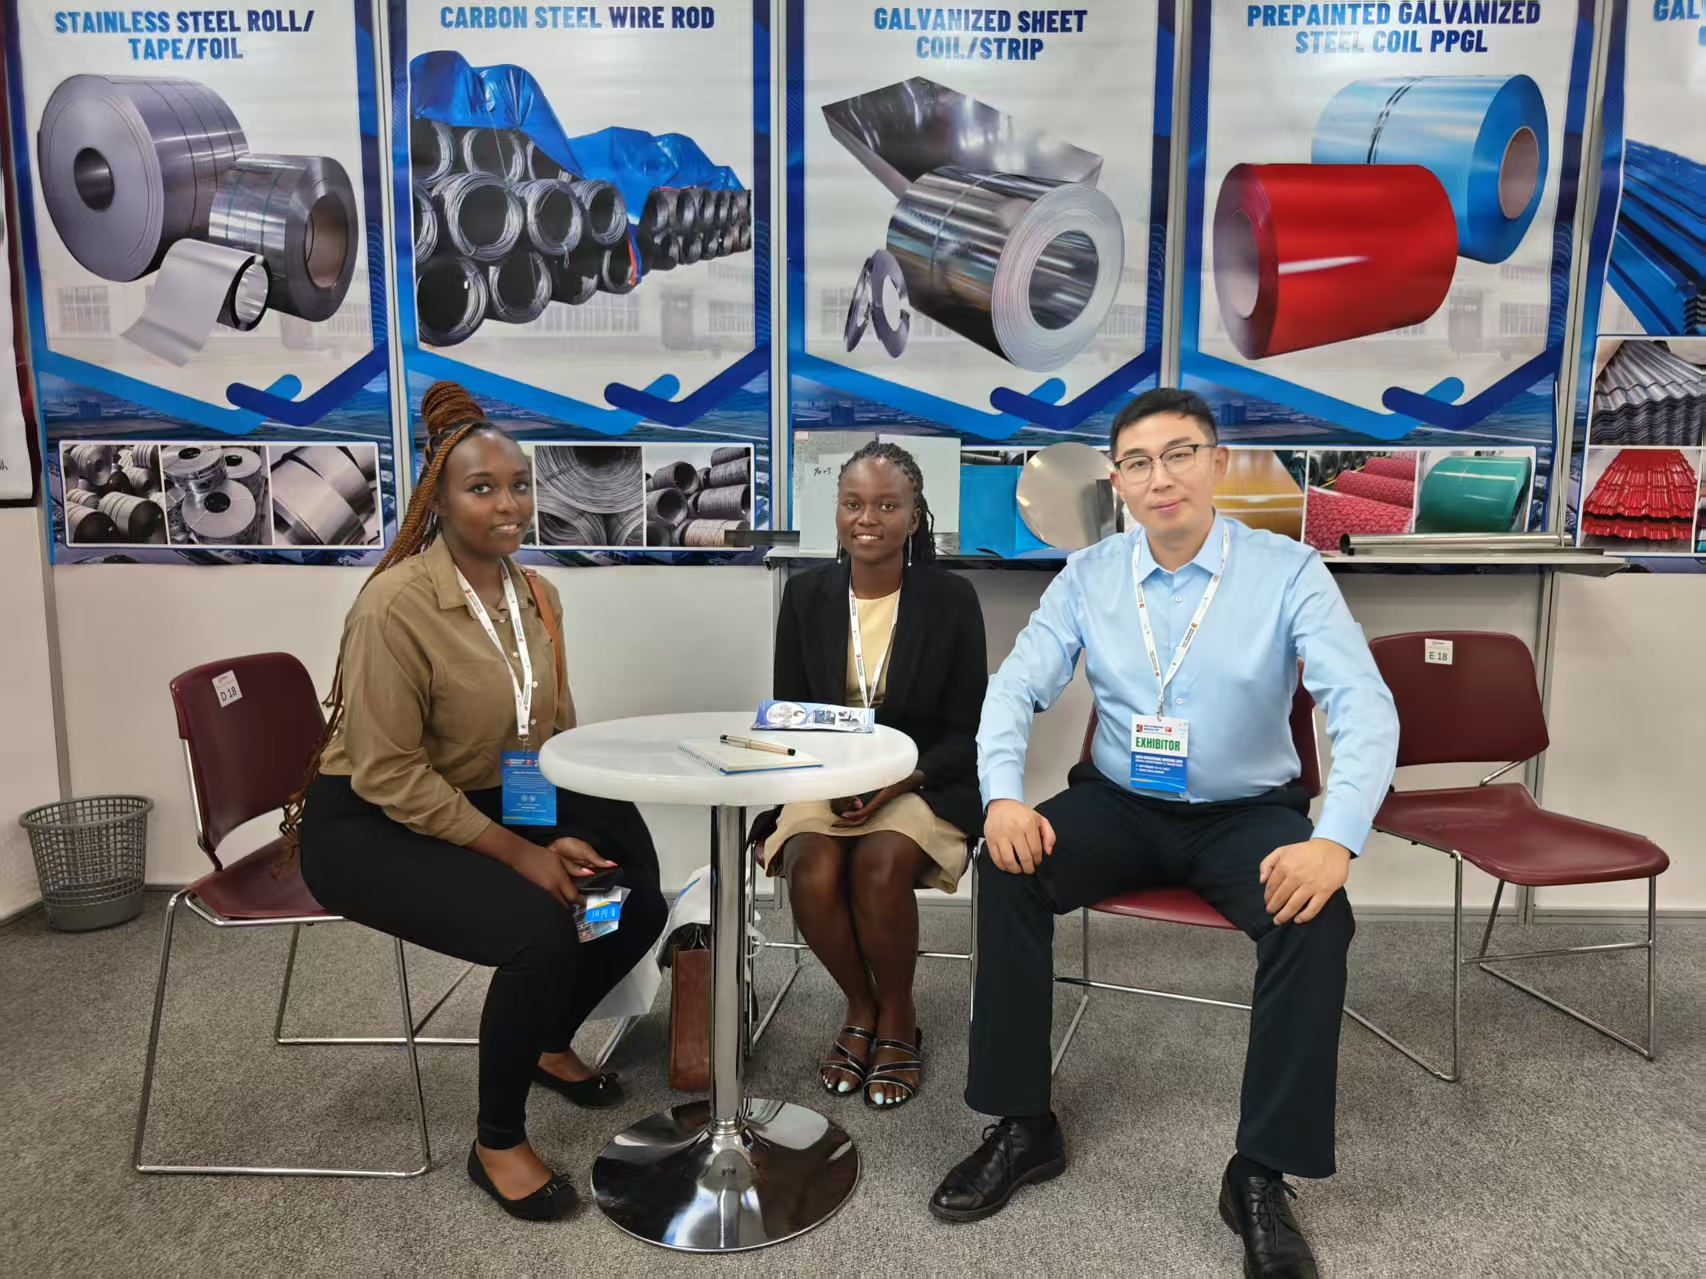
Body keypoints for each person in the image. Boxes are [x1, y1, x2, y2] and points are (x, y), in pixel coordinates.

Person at [929, 389, 1398, 1278]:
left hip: (1246, 813)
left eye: (1180, 453)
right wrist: (1001, 798)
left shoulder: (1289, 570)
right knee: (1009, 865)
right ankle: (1023, 1124)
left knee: (1315, 917)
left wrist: (1335, 839)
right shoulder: (1090, 575)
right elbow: (1014, 686)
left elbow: (1363, 707)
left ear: (1216, 462)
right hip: (1120, 801)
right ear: (1117, 481)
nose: (1161, 477)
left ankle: (1260, 1172)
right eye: (1138, 462)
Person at [286, 381, 667, 1222]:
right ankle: (496, 1140)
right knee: (539, 930)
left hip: (476, 795)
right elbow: (390, 774)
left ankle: (547, 1039)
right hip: (367, 822)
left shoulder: (538, 597)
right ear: (439, 498)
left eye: (520, 485)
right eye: (482, 487)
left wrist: (546, 829)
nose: (509, 504)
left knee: (629, 893)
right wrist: (523, 854)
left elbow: (536, 732)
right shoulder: (394, 605)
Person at [754, 441, 987, 1109]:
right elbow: (794, 717)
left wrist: (896, 783)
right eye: (853, 503)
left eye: (887, 505)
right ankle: (862, 1005)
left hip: (921, 780)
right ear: (836, 510)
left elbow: (966, 730)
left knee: (879, 867)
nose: (867, 518)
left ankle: (899, 1016)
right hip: (826, 779)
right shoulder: (806, 596)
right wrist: (830, 781)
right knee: (813, 868)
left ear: (914, 516)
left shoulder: (950, 599)